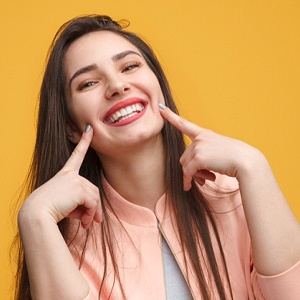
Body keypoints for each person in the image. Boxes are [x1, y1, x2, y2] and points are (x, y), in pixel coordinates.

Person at [14, 14, 300, 300]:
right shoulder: (67, 244)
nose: (117, 86)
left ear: (157, 85)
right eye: (88, 83)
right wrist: (34, 217)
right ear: (70, 127)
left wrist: (254, 166)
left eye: (129, 66)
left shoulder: (237, 196)